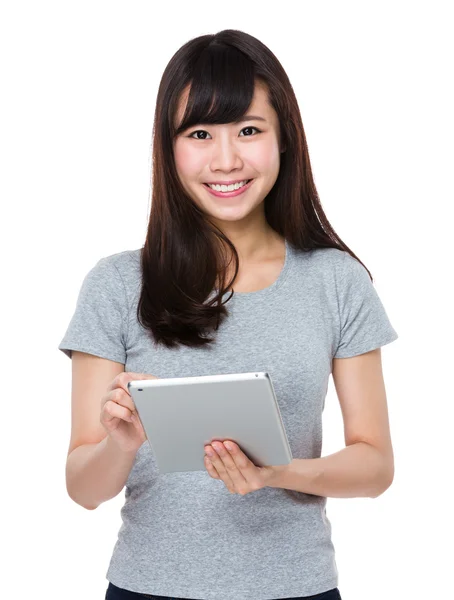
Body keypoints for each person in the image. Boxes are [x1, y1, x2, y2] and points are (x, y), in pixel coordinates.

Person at [59, 29, 398, 600]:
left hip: (297, 588)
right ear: (169, 149)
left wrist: (276, 472)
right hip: (149, 588)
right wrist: (120, 443)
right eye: (199, 133)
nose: (226, 159)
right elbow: (82, 488)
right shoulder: (116, 285)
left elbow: (376, 465)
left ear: (283, 138)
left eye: (248, 130)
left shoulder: (336, 280)